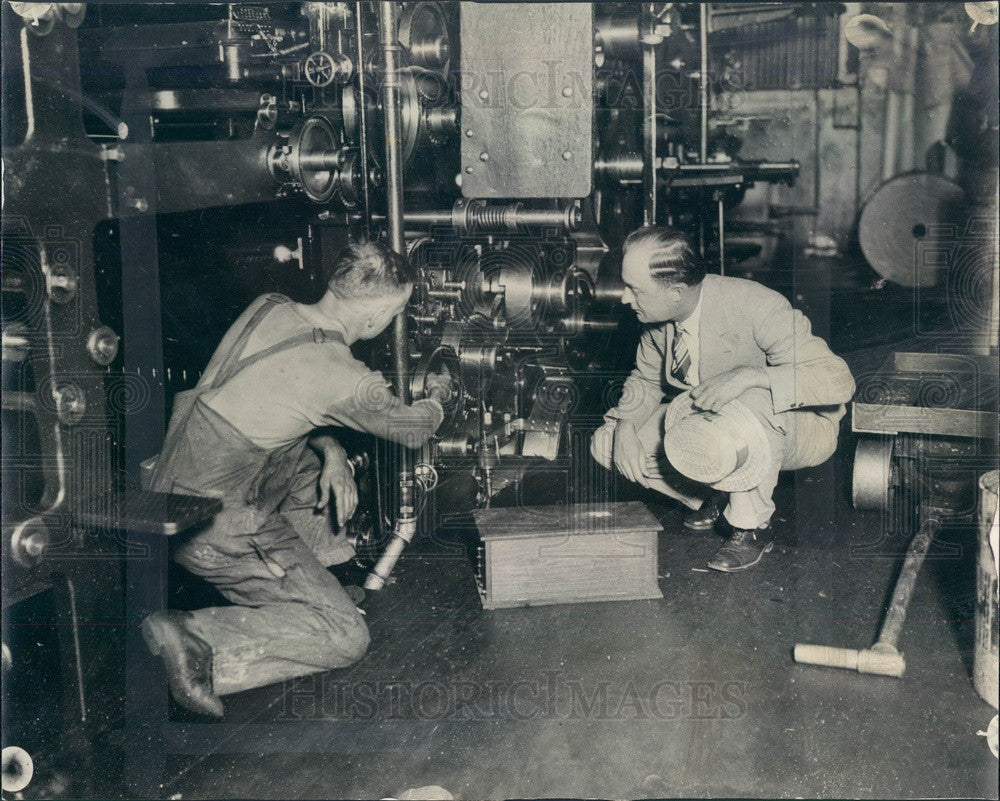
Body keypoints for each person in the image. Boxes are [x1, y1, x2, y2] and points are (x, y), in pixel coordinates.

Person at [142, 241, 453, 717]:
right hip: (217, 528)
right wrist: (439, 394)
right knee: (346, 637)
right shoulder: (343, 377)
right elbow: (414, 432)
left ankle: (313, 584)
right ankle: (199, 637)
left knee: (318, 457)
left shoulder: (270, 306)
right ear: (378, 317)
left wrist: (332, 453)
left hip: (173, 485)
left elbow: (272, 406)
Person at [590, 226, 855, 572]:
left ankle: (752, 526)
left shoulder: (758, 306)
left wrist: (750, 376)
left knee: (749, 399)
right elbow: (644, 380)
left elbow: (839, 380)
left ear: (675, 292)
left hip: (795, 428)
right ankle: (711, 496)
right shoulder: (657, 319)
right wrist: (625, 427)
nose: (625, 298)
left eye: (635, 290)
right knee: (606, 442)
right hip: (713, 423)